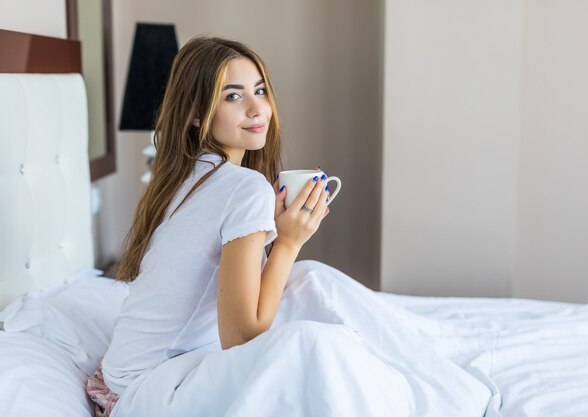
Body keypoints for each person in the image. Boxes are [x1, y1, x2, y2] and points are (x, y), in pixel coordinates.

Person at [88, 36, 491, 417]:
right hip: (152, 392)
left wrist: (281, 238)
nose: (256, 108)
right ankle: (440, 391)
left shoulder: (184, 177)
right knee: (313, 342)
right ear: (196, 115)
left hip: (129, 377)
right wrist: (289, 242)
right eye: (233, 96)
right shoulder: (243, 187)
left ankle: (430, 375)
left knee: (310, 280)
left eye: (260, 90)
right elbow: (242, 338)